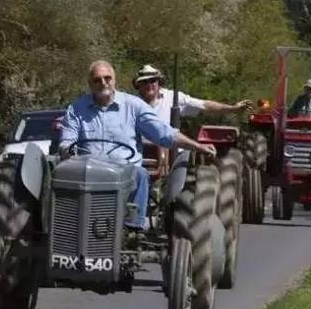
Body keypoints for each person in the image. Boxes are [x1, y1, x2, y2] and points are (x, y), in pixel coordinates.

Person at [58, 60, 217, 229]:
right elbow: (67, 140)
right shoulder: (76, 109)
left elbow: (165, 133)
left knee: (140, 174)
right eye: (97, 80)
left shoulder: (133, 106)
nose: (103, 83)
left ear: (114, 80)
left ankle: (133, 230)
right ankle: (64, 227)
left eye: (107, 78)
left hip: (124, 170)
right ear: (90, 83)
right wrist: (68, 150)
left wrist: (198, 146)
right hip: (88, 171)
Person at [132, 64, 252, 124]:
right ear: (138, 85)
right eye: (144, 81)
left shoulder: (172, 97)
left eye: (152, 80)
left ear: (159, 82)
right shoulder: (131, 103)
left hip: (168, 151)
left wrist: (233, 108)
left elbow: (204, 105)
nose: (149, 85)